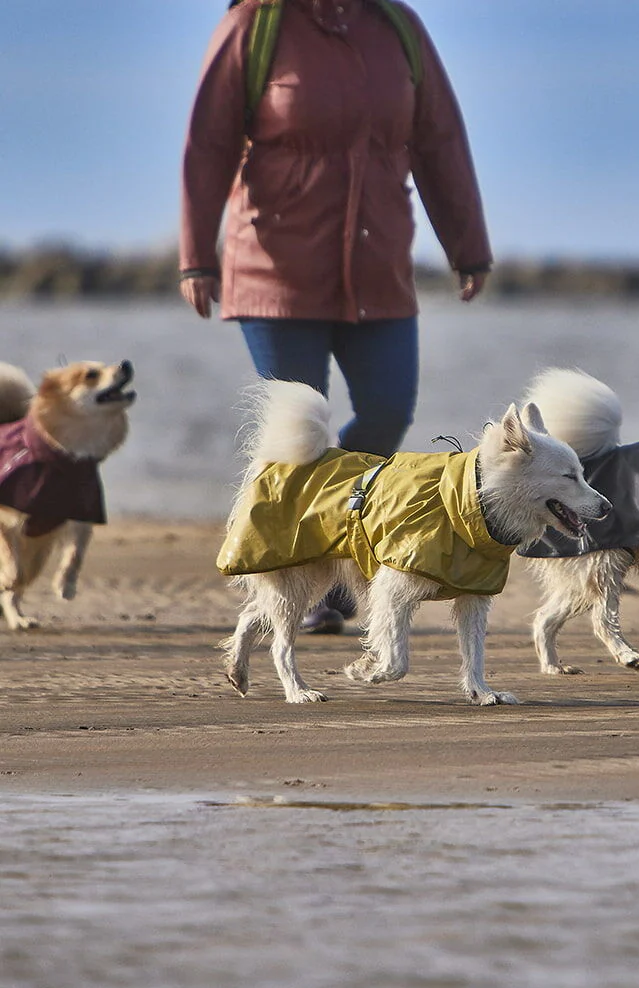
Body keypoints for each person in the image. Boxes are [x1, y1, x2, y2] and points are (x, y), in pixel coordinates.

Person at [179, 0, 492, 633]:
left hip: (378, 267)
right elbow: (208, 142)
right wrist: (196, 257)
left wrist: (467, 244)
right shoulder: (255, 26)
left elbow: (439, 140)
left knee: (387, 409)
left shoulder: (398, 27)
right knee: (301, 428)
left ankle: (335, 547)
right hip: (275, 268)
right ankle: (306, 582)